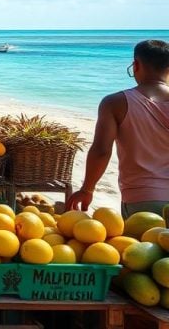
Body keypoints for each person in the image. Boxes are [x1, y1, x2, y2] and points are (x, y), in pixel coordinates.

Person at [68, 40, 169, 216]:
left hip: (143, 199)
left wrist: (87, 189)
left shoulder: (115, 103)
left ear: (136, 65)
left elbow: (101, 151)